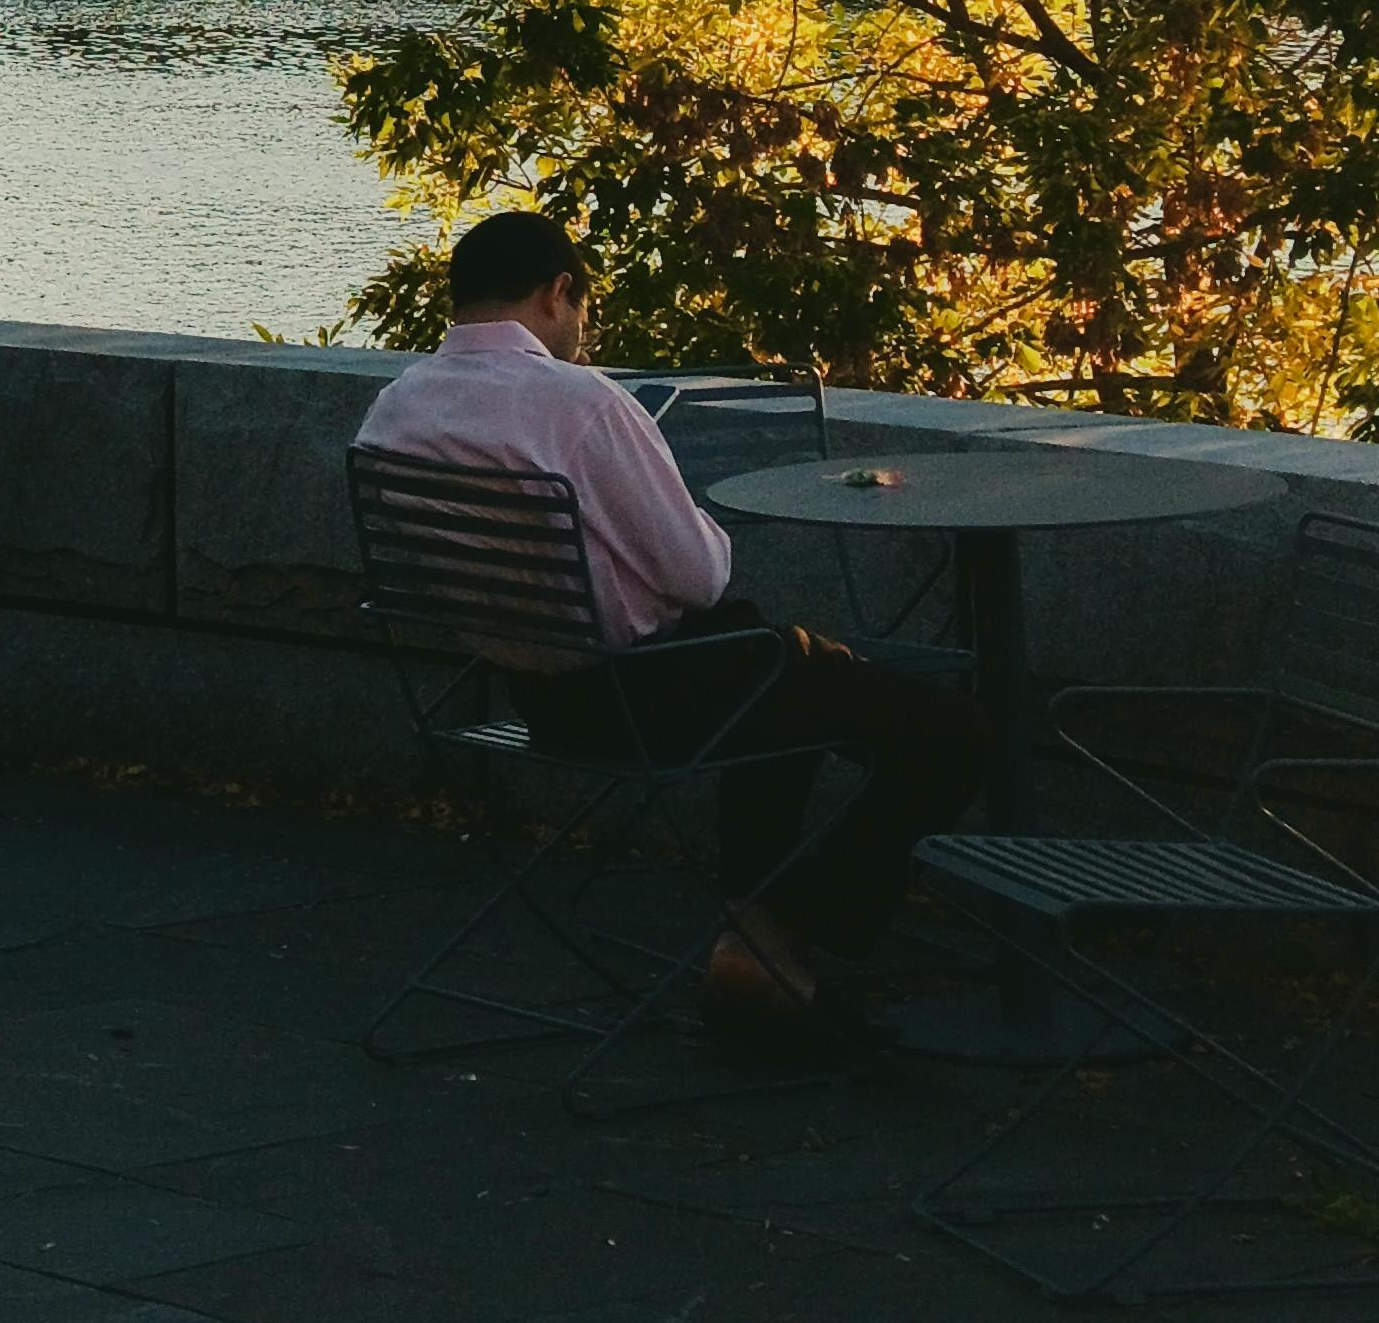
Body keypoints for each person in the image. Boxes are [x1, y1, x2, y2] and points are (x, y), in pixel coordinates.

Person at [359, 204, 980, 1057]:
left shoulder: (395, 409)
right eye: (578, 309)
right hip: (648, 695)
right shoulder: (580, 403)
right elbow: (699, 573)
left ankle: (759, 930)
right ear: (557, 292)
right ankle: (774, 937)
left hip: (539, 700)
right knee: (946, 728)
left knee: (778, 675)